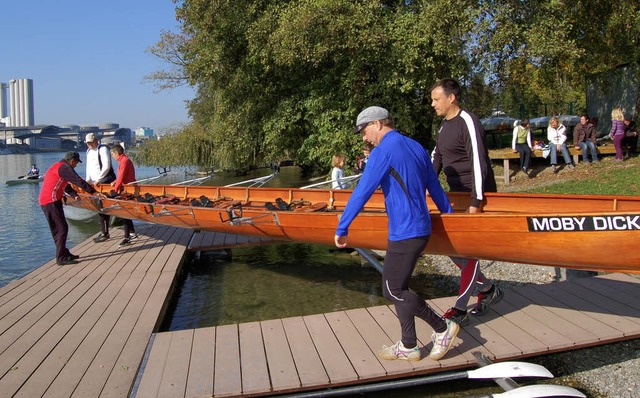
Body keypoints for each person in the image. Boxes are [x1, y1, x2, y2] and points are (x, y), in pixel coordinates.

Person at [335, 106, 458, 362]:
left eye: (364, 130)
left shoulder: (383, 152)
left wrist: (343, 226)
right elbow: (435, 186)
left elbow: (362, 191)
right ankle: (409, 345)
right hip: (420, 228)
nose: (364, 137)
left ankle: (442, 327)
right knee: (399, 286)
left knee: (392, 290)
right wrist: (450, 216)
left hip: (405, 230)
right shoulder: (416, 146)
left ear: (378, 123)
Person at [430, 78, 502, 327]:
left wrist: (475, 202)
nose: (432, 104)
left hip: (475, 194)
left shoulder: (467, 122)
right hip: (455, 195)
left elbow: (478, 163)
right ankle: (488, 289)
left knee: (467, 251)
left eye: (436, 99)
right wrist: (424, 188)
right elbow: (436, 159)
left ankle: (460, 309)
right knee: (451, 248)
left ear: (451, 98)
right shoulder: (443, 126)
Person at [39, 152, 98, 265]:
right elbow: (78, 180)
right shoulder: (64, 167)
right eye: (76, 162)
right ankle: (61, 258)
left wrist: (73, 194)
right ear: (72, 161)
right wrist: (94, 192)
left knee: (59, 228)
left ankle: (64, 253)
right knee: (61, 228)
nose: (76, 165)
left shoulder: (60, 166)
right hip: (50, 201)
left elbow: (65, 184)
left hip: (51, 200)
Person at [85, 132, 116, 242]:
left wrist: (99, 179)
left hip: (106, 179)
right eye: (87, 143)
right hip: (95, 182)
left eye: (91, 143)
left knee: (105, 205)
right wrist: (88, 180)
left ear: (96, 141)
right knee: (100, 207)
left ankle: (127, 231)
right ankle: (104, 232)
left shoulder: (102, 149)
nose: (89, 145)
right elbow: (88, 167)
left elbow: (106, 166)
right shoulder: (88, 151)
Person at [110, 144, 138, 246]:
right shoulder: (123, 160)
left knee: (124, 213)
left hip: (128, 190)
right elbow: (121, 176)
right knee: (126, 213)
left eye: (112, 154)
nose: (112, 156)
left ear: (117, 153)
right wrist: (115, 181)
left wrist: (115, 190)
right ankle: (132, 233)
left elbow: (122, 177)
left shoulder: (124, 161)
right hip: (126, 188)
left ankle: (127, 238)